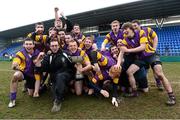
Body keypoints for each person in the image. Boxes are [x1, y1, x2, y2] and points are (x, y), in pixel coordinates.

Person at [119, 22, 175, 105]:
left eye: (125, 29)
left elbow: (143, 47)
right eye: (123, 30)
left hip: (151, 55)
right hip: (141, 59)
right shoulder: (125, 39)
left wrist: (128, 50)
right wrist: (118, 63)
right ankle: (134, 92)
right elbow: (122, 51)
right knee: (129, 72)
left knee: (159, 74)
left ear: (131, 29)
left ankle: (171, 96)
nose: (124, 31)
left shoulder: (141, 32)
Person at [35, 40, 76, 112]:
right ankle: (62, 93)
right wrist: (39, 59)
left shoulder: (65, 53)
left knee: (60, 77)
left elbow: (73, 66)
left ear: (59, 46)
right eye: (52, 46)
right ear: (50, 47)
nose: (54, 47)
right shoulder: (48, 56)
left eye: (56, 45)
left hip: (66, 75)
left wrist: (73, 78)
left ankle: (58, 102)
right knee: (55, 95)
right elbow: (41, 67)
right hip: (54, 78)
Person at [8, 38, 41, 108]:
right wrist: (15, 64)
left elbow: (40, 66)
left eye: (30, 44)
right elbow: (15, 61)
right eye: (26, 44)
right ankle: (12, 99)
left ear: (33, 45)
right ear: (23, 45)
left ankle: (37, 86)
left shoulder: (37, 53)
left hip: (33, 75)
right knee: (16, 76)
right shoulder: (20, 53)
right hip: (23, 72)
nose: (28, 46)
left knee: (31, 94)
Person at [132, 19, 163, 90]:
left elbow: (155, 37)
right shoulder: (134, 34)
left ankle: (159, 83)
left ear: (139, 25)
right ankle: (143, 84)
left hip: (151, 54)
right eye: (132, 26)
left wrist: (154, 49)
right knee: (144, 71)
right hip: (142, 56)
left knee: (155, 69)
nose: (134, 27)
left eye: (135, 25)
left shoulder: (147, 30)